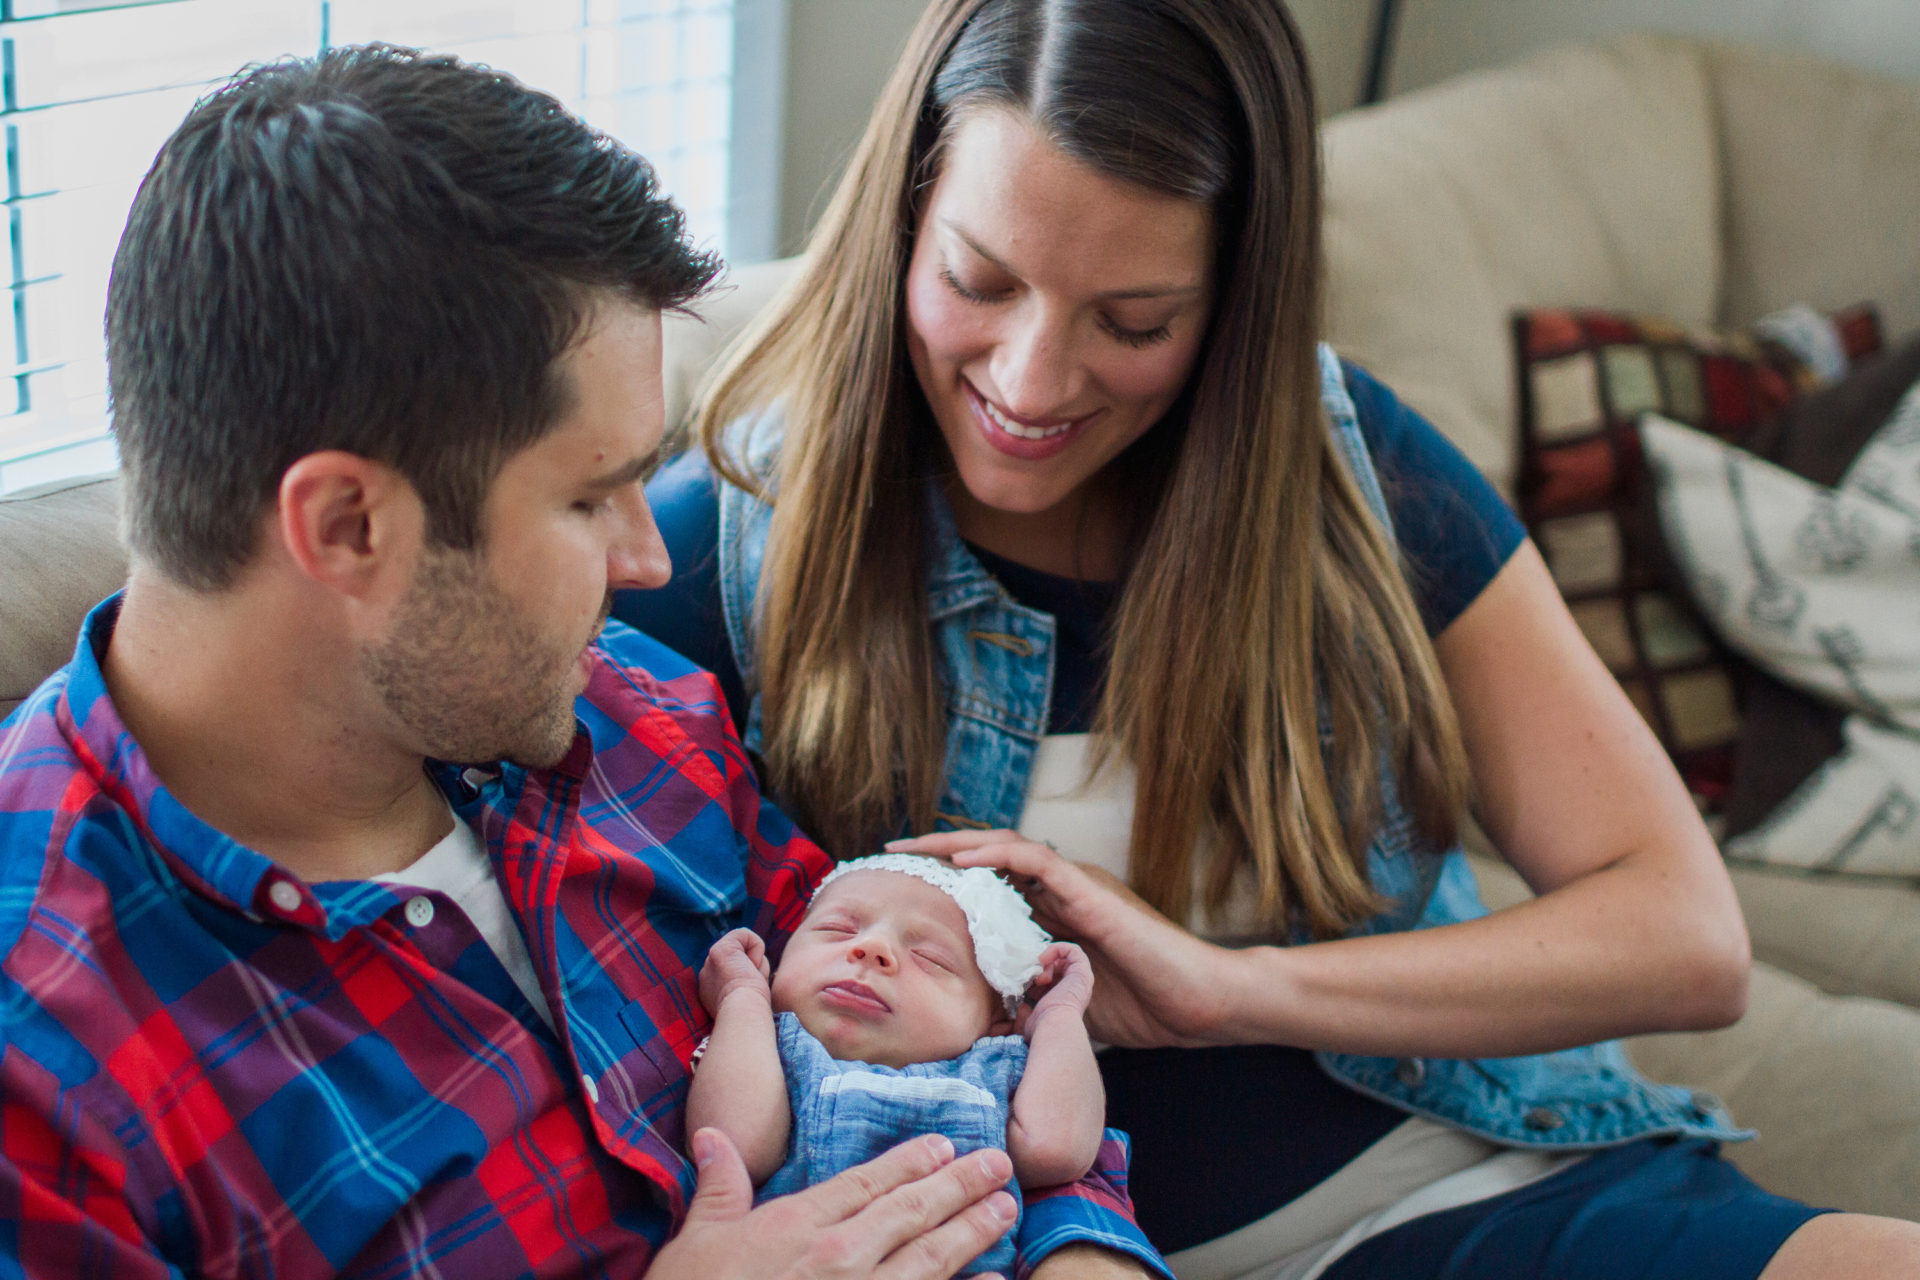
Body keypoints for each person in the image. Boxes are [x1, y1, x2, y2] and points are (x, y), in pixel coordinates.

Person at [614, 0, 1920, 1276]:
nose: (1029, 381)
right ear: (902, 226)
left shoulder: (1346, 473)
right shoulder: (723, 539)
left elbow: (1684, 935)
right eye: (979, 280)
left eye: (1133, 322)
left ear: (1236, 301)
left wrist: (1225, 992)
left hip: (1449, 1178)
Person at [0, 44, 1170, 1280]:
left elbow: (958, 1052)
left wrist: (1082, 1252)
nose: (647, 559)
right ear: (349, 527)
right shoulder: (45, 1056)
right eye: (593, 496)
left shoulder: (636, 715)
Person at [690, 854, 1105, 1277]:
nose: (872, 948)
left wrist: (1061, 1015)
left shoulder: (989, 1068)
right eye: (837, 930)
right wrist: (742, 996)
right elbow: (732, 1147)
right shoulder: (766, 1046)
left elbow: (1058, 1148)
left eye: (931, 958)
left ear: (992, 1026)